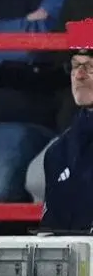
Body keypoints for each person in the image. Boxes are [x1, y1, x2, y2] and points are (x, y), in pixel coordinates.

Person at [40, 19, 93, 232]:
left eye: (90, 66)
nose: (79, 75)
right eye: (74, 66)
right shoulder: (59, 151)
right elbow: (51, 231)